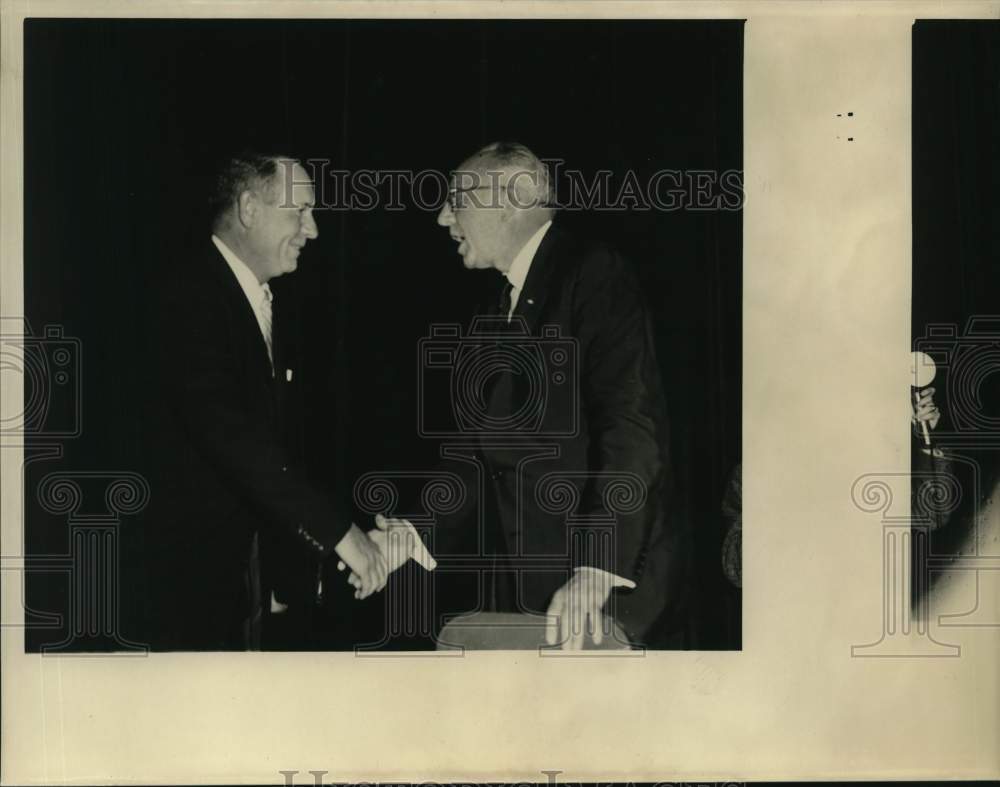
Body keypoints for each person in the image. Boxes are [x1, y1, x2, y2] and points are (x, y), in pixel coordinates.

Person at [420, 141, 684, 649]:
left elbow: (632, 428)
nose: (441, 216)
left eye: (456, 199)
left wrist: (598, 567)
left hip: (598, 597)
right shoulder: (495, 306)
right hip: (525, 594)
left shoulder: (594, 274)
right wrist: (409, 535)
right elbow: (481, 460)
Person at [145, 153, 387, 650]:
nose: (313, 230)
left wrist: (287, 573)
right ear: (250, 208)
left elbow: (277, 450)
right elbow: (232, 438)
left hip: (243, 589)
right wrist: (339, 532)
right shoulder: (188, 296)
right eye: (300, 211)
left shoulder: (262, 300)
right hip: (182, 593)